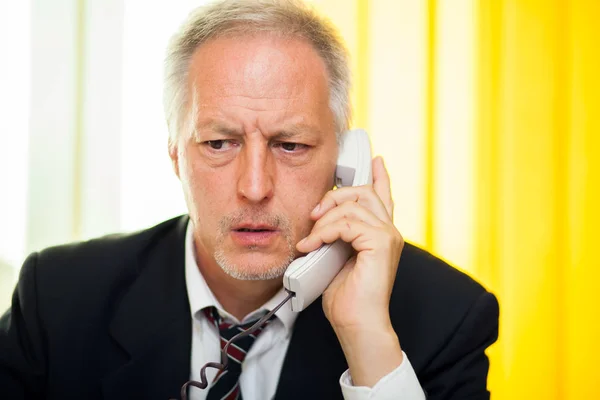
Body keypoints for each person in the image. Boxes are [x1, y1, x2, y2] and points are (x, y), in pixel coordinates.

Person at [0, 1, 499, 399]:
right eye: (219, 143)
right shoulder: (57, 299)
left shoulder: (445, 317)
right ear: (176, 155)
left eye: (291, 145)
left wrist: (367, 339)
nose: (255, 187)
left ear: (346, 160)